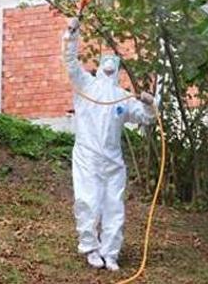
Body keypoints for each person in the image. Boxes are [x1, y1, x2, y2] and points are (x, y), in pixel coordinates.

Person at [62, 16, 155, 272]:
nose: (110, 66)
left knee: (114, 206)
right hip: (87, 156)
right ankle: (91, 248)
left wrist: (150, 103)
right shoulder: (86, 85)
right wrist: (71, 33)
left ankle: (110, 252)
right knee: (88, 201)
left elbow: (146, 119)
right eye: (106, 63)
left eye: (114, 64)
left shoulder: (123, 98)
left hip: (113, 160)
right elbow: (70, 62)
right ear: (100, 66)